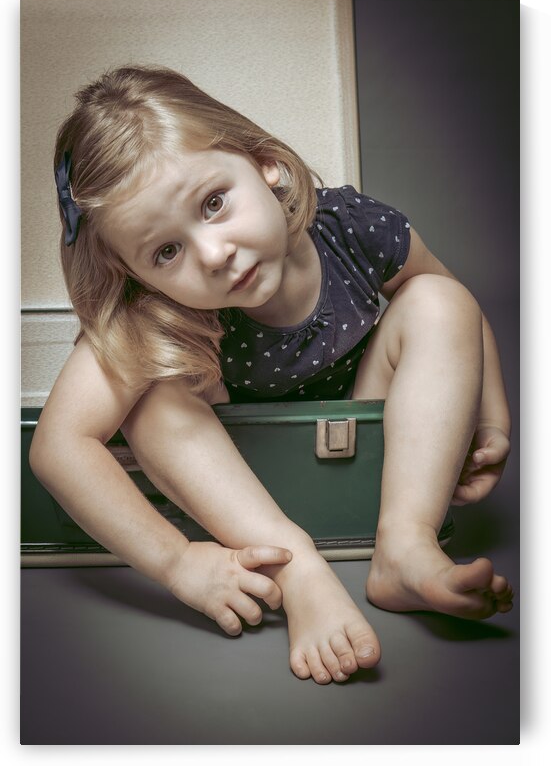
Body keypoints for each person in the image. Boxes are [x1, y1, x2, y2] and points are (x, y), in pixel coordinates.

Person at [30, 65, 514, 685]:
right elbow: (57, 445)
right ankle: (298, 568)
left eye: (212, 204)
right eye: (166, 252)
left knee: (438, 301)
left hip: (363, 475)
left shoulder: (348, 228)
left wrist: (491, 414)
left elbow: (455, 299)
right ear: (135, 274)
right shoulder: (155, 314)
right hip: (238, 496)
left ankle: (406, 544)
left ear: (265, 163)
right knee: (150, 396)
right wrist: (178, 562)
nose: (213, 254)